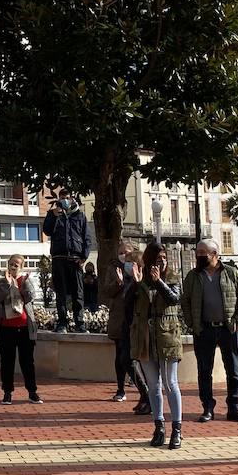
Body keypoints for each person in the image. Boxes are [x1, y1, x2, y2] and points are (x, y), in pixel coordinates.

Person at [181, 238, 238, 424]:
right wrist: (192, 323)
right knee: (204, 371)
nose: (199, 256)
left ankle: (234, 409)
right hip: (204, 330)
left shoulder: (231, 273)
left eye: (203, 253)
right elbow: (185, 301)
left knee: (233, 371)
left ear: (215, 254)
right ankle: (207, 408)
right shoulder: (193, 276)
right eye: (197, 253)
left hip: (229, 329)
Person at [127, 242, 184, 449]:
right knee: (153, 385)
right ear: (149, 260)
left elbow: (174, 299)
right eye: (157, 258)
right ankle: (159, 426)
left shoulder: (172, 278)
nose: (162, 262)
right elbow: (127, 304)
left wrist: (159, 281)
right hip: (145, 337)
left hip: (167, 336)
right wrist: (136, 283)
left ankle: (177, 429)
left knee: (170, 383)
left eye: (164, 258)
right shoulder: (140, 280)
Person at [102, 243, 150, 410]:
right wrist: (119, 283)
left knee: (133, 359)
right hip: (120, 320)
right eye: (121, 254)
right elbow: (107, 291)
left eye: (127, 254)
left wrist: (137, 282)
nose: (124, 257)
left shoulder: (142, 275)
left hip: (136, 324)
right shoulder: (114, 270)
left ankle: (146, 395)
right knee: (122, 358)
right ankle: (126, 390)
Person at [0, 255, 43, 404]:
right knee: (7, 362)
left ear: (22, 267)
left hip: (25, 328)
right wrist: (7, 284)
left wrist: (23, 283)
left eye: (17, 265)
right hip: (6, 328)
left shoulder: (25, 280)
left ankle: (32, 392)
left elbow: (30, 298)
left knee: (27, 362)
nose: (14, 267)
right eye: (11, 264)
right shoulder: (0, 280)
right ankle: (7, 392)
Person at [42, 189, 94, 332]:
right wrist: (53, 215)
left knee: (78, 293)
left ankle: (80, 323)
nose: (65, 200)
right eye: (62, 198)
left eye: (67, 197)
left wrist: (84, 256)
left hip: (76, 259)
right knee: (61, 293)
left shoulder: (80, 216)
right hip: (59, 258)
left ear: (72, 199)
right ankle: (62, 323)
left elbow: (87, 238)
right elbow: (46, 231)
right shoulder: (53, 214)